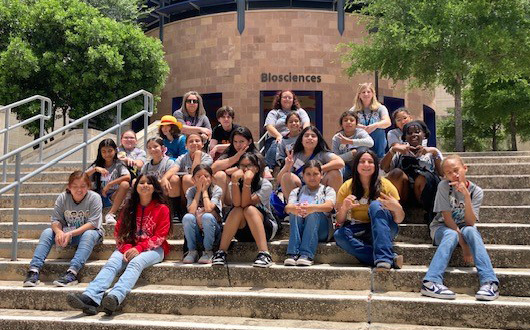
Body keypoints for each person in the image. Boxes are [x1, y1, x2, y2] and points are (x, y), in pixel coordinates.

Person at [66, 174, 171, 315]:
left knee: (136, 263)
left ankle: (115, 297)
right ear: (136, 187)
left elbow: (160, 236)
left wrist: (139, 248)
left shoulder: (162, 208)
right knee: (112, 263)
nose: (145, 185)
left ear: (154, 187)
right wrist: (127, 248)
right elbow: (119, 232)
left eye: (149, 183)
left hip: (154, 248)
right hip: (128, 247)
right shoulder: (128, 207)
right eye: (141, 183)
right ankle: (90, 297)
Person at [421, 155, 499, 301]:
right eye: (449, 173)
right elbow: (447, 218)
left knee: (471, 230)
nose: (454, 175)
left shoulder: (477, 191)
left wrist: (467, 197)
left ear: (465, 168)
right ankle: (431, 281)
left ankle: (489, 282)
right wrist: (464, 246)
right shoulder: (444, 186)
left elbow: (470, 222)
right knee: (451, 234)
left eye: (456, 170)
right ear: (445, 175)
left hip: (464, 228)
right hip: (441, 228)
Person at [23, 171, 103, 287]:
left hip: (91, 233)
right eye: (75, 186)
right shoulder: (63, 197)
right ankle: (33, 270)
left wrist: (70, 233)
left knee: (89, 234)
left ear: (89, 187)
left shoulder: (94, 198)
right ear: (69, 187)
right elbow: (55, 220)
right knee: (47, 232)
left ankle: (72, 273)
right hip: (68, 233)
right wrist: (59, 232)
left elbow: (92, 223)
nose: (79, 190)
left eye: (83, 186)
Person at [334, 149, 404, 269]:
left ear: (375, 166)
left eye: (370, 162)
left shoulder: (386, 185)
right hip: (359, 228)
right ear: (356, 165)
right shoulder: (347, 186)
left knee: (375, 205)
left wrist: (397, 208)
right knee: (339, 236)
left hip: (385, 228)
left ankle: (383, 258)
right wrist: (344, 209)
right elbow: (339, 221)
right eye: (362, 161)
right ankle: (389, 258)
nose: (366, 165)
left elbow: (399, 219)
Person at [212, 152, 277, 268]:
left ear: (256, 169)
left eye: (249, 166)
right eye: (242, 166)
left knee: (249, 210)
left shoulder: (265, 184)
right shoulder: (234, 183)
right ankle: (221, 252)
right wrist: (236, 182)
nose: (245, 169)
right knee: (237, 210)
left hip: (265, 228)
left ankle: (264, 253)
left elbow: (247, 203)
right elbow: (237, 204)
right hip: (241, 229)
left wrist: (247, 183)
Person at [381, 120, 442, 224]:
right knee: (396, 173)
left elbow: (442, 173)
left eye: (417, 132)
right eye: (409, 133)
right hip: (404, 192)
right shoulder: (399, 151)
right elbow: (384, 168)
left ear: (424, 135)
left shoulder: (432, 152)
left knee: (425, 176)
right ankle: (394, 211)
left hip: (424, 192)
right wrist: (393, 150)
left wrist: (434, 152)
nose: (413, 135)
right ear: (405, 137)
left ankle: (428, 213)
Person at [284, 160, 336, 266]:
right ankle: (293, 253)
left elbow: (329, 206)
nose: (312, 177)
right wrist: (295, 209)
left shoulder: (328, 190)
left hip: (321, 230)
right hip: (301, 228)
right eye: (308, 174)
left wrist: (310, 208)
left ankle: (306, 254)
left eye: (315, 174)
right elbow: (288, 208)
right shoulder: (297, 191)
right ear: (303, 176)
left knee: (313, 213)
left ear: (321, 175)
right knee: (295, 212)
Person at [277, 126, 344, 198]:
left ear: (318, 140)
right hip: (301, 190)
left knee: (335, 173)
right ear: (301, 140)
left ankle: (332, 206)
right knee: (286, 176)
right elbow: (279, 180)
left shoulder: (323, 154)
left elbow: (340, 162)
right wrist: (287, 166)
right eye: (306, 136)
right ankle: (293, 206)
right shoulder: (294, 156)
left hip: (320, 190)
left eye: (313, 136)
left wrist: (317, 170)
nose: (310, 138)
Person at [182, 165, 223, 264]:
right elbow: (191, 211)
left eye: (206, 176)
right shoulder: (191, 191)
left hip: (213, 229)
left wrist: (204, 191)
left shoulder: (217, 190)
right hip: (197, 229)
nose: (202, 179)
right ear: (193, 179)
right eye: (198, 176)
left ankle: (208, 251)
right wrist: (198, 191)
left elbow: (209, 209)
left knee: (207, 216)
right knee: (187, 217)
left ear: (212, 178)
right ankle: (192, 251)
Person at [86, 139, 130, 225]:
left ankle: (110, 214)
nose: (107, 154)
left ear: (115, 150)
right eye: (104, 152)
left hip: (113, 196)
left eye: (110, 151)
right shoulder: (97, 165)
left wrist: (110, 184)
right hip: (98, 196)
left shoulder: (118, 164)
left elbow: (127, 177)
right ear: (100, 152)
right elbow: (81, 177)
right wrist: (95, 169)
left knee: (125, 184)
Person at [212, 126, 259, 205]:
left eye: (241, 141)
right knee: (220, 175)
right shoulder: (230, 151)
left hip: (248, 192)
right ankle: (218, 208)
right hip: (230, 191)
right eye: (235, 141)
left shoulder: (256, 155)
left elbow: (252, 172)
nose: (238, 145)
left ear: (249, 141)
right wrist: (235, 158)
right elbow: (213, 168)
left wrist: (233, 170)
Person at [263, 90, 310, 169]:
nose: (287, 99)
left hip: (296, 137)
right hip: (278, 138)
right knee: (276, 143)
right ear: (280, 99)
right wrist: (278, 136)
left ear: (293, 100)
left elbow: (306, 123)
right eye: (284, 97)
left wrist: (304, 135)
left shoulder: (300, 111)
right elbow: (269, 126)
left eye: (290, 97)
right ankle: (268, 168)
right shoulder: (274, 112)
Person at [164, 132, 214, 202]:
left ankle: (193, 206)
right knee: (173, 178)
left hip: (202, 188)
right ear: (186, 146)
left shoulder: (207, 158)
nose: (194, 143)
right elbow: (174, 169)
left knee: (187, 178)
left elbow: (196, 173)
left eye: (197, 141)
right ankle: (176, 210)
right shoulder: (182, 157)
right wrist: (165, 178)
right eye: (191, 141)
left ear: (202, 144)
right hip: (184, 191)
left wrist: (197, 154)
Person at [140, 138, 180, 221]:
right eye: (149, 147)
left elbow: (170, 177)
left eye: (155, 146)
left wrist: (161, 181)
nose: (152, 149)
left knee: (174, 179)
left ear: (162, 148)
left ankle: (174, 211)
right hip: (151, 191)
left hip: (165, 191)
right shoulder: (146, 166)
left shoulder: (169, 162)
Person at [351, 83, 391, 158]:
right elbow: (347, 124)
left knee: (379, 129)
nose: (366, 94)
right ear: (359, 95)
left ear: (373, 94)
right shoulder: (353, 110)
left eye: (368, 92)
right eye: (363, 92)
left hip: (377, 143)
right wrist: (358, 126)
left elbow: (387, 122)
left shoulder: (380, 108)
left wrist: (374, 126)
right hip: (361, 143)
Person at [332, 110, 374, 180]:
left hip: (360, 165)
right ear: (341, 124)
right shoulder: (337, 138)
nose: (348, 122)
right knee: (336, 171)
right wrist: (351, 154)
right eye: (345, 120)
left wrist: (350, 141)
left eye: (351, 120)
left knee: (363, 146)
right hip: (345, 167)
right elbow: (336, 159)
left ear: (356, 124)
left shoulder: (360, 133)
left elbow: (371, 143)